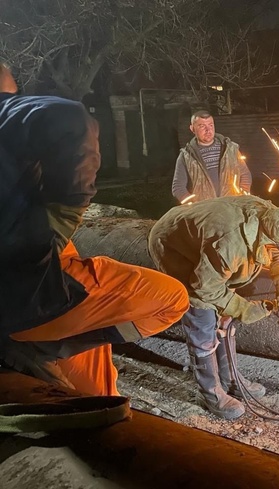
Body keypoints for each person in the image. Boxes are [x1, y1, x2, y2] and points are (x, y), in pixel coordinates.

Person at [0, 63, 189, 396]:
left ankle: (63, 361)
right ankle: (46, 345)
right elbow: (69, 119)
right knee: (173, 299)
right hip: (38, 295)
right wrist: (64, 214)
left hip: (20, 305)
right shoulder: (6, 111)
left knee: (95, 398)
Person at [148, 195, 279, 419]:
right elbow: (205, 288)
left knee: (224, 316)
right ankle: (210, 393)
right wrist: (244, 309)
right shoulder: (230, 245)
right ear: (267, 238)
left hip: (208, 245)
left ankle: (231, 379)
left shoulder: (272, 216)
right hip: (172, 243)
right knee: (203, 318)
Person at [172, 110, 252, 203]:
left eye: (210, 125)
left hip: (232, 208)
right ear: (192, 128)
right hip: (205, 212)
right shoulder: (186, 156)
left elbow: (245, 175)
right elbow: (177, 187)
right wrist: (194, 206)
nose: (208, 130)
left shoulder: (231, 149)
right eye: (202, 126)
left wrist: (242, 198)